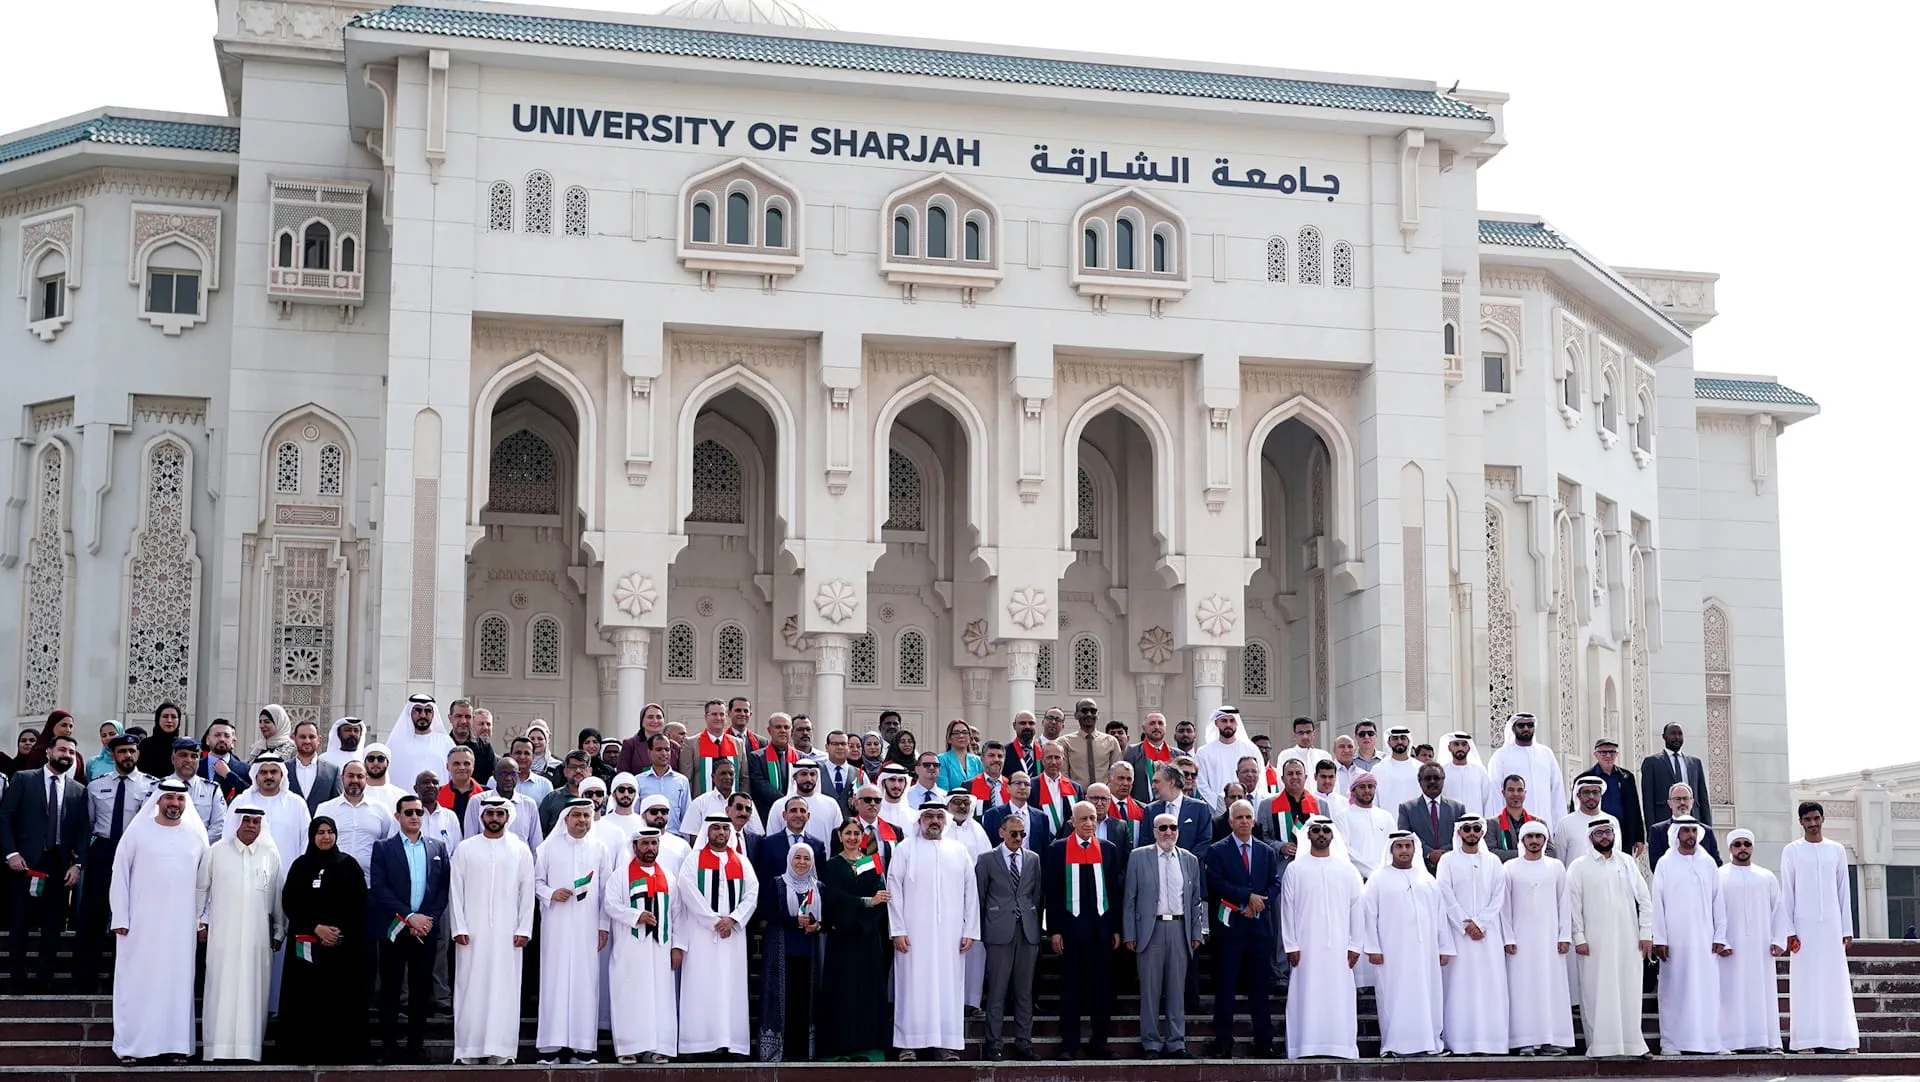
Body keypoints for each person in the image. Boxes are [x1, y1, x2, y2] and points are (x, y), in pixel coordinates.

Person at [109, 778, 207, 1065]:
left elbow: (204, 883)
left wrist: (201, 920)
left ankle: (176, 1045)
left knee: (177, 984)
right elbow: (120, 875)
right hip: (139, 924)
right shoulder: (138, 832)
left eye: (179, 800)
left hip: (181, 926)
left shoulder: (196, 835)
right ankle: (131, 1046)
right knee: (137, 983)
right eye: (169, 799)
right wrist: (120, 916)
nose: (174, 804)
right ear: (158, 801)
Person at [887, 801, 979, 1061]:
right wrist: (898, 930)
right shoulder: (905, 849)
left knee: (948, 988)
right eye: (929, 816)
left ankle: (945, 1044)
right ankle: (908, 1044)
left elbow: (970, 892)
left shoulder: (959, 850)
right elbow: (893, 891)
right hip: (912, 935)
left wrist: (970, 930)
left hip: (951, 935)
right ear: (920, 820)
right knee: (911, 987)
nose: (934, 821)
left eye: (939, 816)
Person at [197, 802, 285, 1062]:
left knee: (253, 992)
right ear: (236, 823)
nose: (250, 826)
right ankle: (217, 1050)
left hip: (258, 941)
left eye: (256, 822)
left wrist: (279, 931)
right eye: (246, 821)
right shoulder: (216, 852)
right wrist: (199, 923)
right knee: (220, 990)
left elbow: (278, 898)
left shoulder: (271, 855)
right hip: (223, 938)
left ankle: (249, 1051)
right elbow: (201, 890)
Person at [450, 795, 534, 1065]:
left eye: (500, 814)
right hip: (471, 933)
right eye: (490, 814)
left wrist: (524, 928)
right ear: (482, 817)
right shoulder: (465, 848)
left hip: (509, 933)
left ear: (508, 817)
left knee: (505, 987)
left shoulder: (520, 849)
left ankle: (501, 1048)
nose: (494, 819)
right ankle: (469, 1049)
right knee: (470, 986)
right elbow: (456, 892)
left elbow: (527, 892)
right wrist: (458, 927)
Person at [0, 731, 88, 989]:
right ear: (49, 752)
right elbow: (5, 818)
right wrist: (11, 853)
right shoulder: (24, 779)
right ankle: (17, 979)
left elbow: (84, 832)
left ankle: (44, 979)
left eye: (71, 752)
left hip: (59, 867)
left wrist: (78, 864)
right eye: (62, 750)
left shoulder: (77, 791)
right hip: (25, 865)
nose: (66, 755)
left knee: (53, 926)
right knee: (21, 923)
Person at [278, 816, 369, 1065]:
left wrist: (337, 932)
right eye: (320, 832)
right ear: (312, 836)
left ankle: (341, 1053)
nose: (326, 836)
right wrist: (316, 927)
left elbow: (360, 903)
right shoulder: (300, 866)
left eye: (330, 832)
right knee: (306, 1001)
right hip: (307, 946)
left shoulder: (349, 865)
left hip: (342, 948)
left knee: (340, 1001)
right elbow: (290, 902)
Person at [369, 794, 451, 1064]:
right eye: (408, 813)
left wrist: (427, 919)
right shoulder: (382, 848)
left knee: (420, 991)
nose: (415, 816)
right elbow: (380, 888)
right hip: (395, 928)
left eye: (418, 812)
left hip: (425, 930)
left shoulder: (438, 848)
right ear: (398, 817)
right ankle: (389, 1046)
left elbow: (442, 889)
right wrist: (409, 916)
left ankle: (416, 1046)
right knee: (391, 989)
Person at [1357, 831, 1449, 1058]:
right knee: (1394, 997)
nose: (1404, 851)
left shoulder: (1427, 879)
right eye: (1399, 846)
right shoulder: (1378, 879)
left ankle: (1429, 1043)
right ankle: (1395, 1045)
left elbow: (1440, 916)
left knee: (1427, 995)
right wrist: (1373, 948)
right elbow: (1369, 915)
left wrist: (1444, 947)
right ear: (1391, 850)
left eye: (1408, 846)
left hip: (1425, 952)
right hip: (1392, 952)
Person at [1567, 817, 1653, 1058]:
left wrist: (1646, 933)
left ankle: (1635, 1045)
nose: (1604, 837)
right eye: (1599, 833)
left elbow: (1645, 900)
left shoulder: (1626, 862)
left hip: (1628, 939)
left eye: (1608, 832)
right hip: (1594, 943)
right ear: (1590, 838)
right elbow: (1572, 906)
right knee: (1597, 992)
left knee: (1629, 990)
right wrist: (1579, 937)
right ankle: (1600, 1046)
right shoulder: (1578, 867)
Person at [1042, 800, 1121, 1059]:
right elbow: (1051, 892)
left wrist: (1116, 928)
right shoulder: (1058, 849)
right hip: (1071, 934)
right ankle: (1070, 1044)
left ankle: (1100, 1042)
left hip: (1101, 933)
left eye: (1093, 819)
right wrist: (1054, 930)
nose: (1089, 823)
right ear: (1072, 822)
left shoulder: (1108, 849)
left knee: (1101, 991)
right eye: (1084, 819)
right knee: (1071, 992)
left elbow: (1114, 891)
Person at [1121, 811, 1204, 1059]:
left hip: (1179, 928)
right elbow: (1130, 898)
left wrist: (1196, 931)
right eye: (1163, 828)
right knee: (1150, 990)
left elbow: (1195, 900)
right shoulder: (1139, 856)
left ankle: (1177, 1041)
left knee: (1177, 989)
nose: (1168, 832)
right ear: (1155, 831)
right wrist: (1129, 933)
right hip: (1150, 929)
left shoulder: (1189, 859)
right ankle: (1151, 1043)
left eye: (1173, 828)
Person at [1279, 815, 1362, 1059]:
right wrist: (1291, 945)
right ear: (1308, 835)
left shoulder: (1347, 870)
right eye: (1316, 830)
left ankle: (1341, 1046)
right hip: (1305, 947)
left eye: (1326, 830)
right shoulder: (1295, 869)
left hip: (1340, 948)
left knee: (1339, 995)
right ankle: (1304, 1046)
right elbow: (1287, 909)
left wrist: (1356, 945)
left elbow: (1357, 909)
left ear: (1333, 835)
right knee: (1306, 994)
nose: (1321, 834)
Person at [74, 734, 153, 989]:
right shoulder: (96, 786)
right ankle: (85, 977)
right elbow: (88, 826)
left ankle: (124, 979)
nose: (128, 756)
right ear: (113, 755)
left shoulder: (151, 786)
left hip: (136, 855)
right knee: (93, 916)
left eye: (132, 751)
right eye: (122, 751)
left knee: (130, 918)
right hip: (104, 853)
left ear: (138, 754)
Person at [530, 799, 606, 1063]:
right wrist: (552, 893)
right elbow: (536, 883)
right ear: (566, 818)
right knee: (555, 981)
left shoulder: (599, 848)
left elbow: (605, 891)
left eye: (587, 815)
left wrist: (603, 926)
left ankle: (583, 1048)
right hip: (557, 926)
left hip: (588, 927)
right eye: (577, 815)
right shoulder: (548, 848)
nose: (582, 820)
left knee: (586, 983)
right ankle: (551, 1048)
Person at [1779, 800, 1859, 1053]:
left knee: (1836, 981)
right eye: (1807, 820)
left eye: (1816, 818)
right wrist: (1789, 930)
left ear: (1823, 819)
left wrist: (1847, 929)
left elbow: (1843, 891)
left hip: (1832, 927)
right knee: (1805, 982)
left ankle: (1843, 1040)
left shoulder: (1836, 850)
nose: (1812, 824)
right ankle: (1805, 1041)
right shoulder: (1792, 851)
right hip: (1803, 928)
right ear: (1800, 822)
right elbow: (1787, 893)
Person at [677, 814, 758, 1059]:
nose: (721, 832)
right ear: (706, 832)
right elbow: (687, 889)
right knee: (700, 985)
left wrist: (732, 919)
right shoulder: (693, 860)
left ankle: (731, 1041)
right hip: (702, 935)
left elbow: (752, 893)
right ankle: (697, 1043)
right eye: (716, 828)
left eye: (725, 828)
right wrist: (714, 921)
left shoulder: (741, 861)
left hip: (731, 936)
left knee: (730, 987)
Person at [1205, 799, 1280, 1057]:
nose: (1245, 822)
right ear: (1230, 821)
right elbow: (1217, 883)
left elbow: (1275, 883)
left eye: (1249, 817)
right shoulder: (1217, 851)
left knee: (1260, 989)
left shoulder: (1266, 852)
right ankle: (1223, 1042)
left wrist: (1258, 904)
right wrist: (1248, 897)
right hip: (1229, 932)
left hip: (1259, 932)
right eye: (1239, 818)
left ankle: (1263, 1042)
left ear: (1254, 821)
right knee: (1226, 988)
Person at [1651, 817, 1727, 1055]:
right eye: (1685, 830)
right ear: (1676, 833)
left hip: (1705, 938)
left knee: (1707, 989)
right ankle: (1671, 1043)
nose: (1690, 835)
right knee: (1675, 989)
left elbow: (1718, 901)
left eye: (1693, 830)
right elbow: (1657, 903)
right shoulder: (1665, 863)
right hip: (1675, 940)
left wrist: (1720, 935)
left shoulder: (1708, 863)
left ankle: (1710, 1042)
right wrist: (1660, 939)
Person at [818, 817, 891, 1061]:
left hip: (868, 936)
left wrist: (869, 914)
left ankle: (867, 1045)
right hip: (843, 937)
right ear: (840, 836)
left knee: (868, 989)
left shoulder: (874, 862)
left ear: (863, 836)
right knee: (843, 990)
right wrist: (864, 903)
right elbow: (834, 897)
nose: (852, 838)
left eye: (856, 833)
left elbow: (881, 895)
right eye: (847, 833)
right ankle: (841, 1046)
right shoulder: (832, 865)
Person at [1435, 815, 1509, 1054]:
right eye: (1466, 828)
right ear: (1459, 832)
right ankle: (1459, 1043)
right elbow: (1444, 894)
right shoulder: (1447, 861)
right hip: (1459, 936)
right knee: (1459, 987)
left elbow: (1499, 897)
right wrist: (1465, 923)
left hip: (1489, 935)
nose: (1472, 832)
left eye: (1477, 828)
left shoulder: (1494, 861)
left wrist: (1481, 923)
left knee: (1491, 986)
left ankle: (1493, 1042)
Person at [603, 829, 679, 1064]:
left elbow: (677, 914)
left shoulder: (669, 877)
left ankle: (660, 1048)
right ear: (634, 846)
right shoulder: (620, 876)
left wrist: (678, 947)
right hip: (630, 949)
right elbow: (610, 905)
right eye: (645, 844)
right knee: (630, 995)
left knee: (661, 998)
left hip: (661, 949)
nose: (650, 849)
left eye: (654, 844)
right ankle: (629, 1048)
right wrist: (637, 916)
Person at [1503, 820, 1574, 1055]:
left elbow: (1564, 903)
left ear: (1545, 840)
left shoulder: (1555, 867)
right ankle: (1524, 1041)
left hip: (1550, 940)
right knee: (1522, 988)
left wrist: (1564, 935)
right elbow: (1504, 907)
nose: (1534, 841)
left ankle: (1550, 1039)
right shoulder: (1510, 868)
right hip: (1520, 941)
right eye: (1529, 837)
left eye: (1538, 837)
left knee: (1549, 987)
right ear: (1522, 840)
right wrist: (1508, 938)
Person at [976, 812, 1041, 1061]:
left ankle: (1024, 1042)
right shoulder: (986, 859)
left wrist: (1031, 918)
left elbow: (1036, 894)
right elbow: (980, 897)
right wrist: (984, 929)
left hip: (1027, 929)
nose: (1018, 838)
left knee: (1025, 991)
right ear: (1001, 832)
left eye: (1022, 834)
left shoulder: (1033, 858)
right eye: (1013, 833)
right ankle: (994, 1043)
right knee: (997, 990)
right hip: (998, 930)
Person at [1718, 828, 1787, 1053]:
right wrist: (1721, 940)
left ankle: (1767, 1041)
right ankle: (1730, 1042)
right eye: (1737, 844)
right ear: (1729, 848)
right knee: (1730, 994)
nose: (1742, 848)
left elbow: (1778, 910)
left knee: (1762, 994)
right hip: (1730, 949)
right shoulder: (1718, 876)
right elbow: (1712, 912)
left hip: (1761, 948)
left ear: (1752, 847)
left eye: (1746, 844)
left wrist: (1779, 939)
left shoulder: (1766, 876)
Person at [1484, 713, 1565, 822]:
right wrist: (1500, 825)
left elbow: (1557, 790)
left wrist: (1559, 823)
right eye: (1521, 726)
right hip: (1511, 823)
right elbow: (1495, 793)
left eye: (1530, 725)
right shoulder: (1501, 755)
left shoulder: (1546, 754)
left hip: (1544, 820)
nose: (1526, 728)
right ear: (1513, 728)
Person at [383, 695, 453, 812]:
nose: (423, 715)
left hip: (437, 808)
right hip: (406, 810)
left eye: (428, 711)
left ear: (433, 714)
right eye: (418, 710)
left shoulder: (445, 742)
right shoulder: (397, 742)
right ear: (410, 712)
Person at [1641, 722, 1712, 830]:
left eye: (1680, 734)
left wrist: (1707, 828)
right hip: (1664, 825)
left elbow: (1703, 798)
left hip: (1692, 824)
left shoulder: (1695, 763)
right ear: (1664, 736)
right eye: (1673, 734)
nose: (1677, 737)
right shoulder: (1652, 763)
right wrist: (1651, 831)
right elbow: (1648, 801)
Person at [1397, 762, 1464, 874]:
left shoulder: (1458, 808)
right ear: (1420, 782)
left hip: (1452, 868)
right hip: (1419, 869)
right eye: (1428, 778)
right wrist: (1429, 853)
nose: (1432, 781)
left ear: (1443, 780)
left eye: (1436, 778)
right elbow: (1406, 837)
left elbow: (1461, 836)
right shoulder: (1407, 808)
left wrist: (1444, 853)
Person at [1582, 738, 1646, 855]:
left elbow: (1635, 808)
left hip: (1623, 833)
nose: (1608, 756)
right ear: (1596, 755)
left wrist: (1639, 838)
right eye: (1603, 753)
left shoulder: (1626, 777)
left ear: (1617, 754)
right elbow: (1576, 806)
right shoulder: (1586, 778)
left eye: (1612, 752)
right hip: (1597, 832)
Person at [465, 758, 542, 851]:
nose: (509, 778)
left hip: (519, 863)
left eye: (513, 774)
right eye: (504, 774)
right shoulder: (478, 801)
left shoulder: (529, 804)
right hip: (485, 862)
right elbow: (469, 841)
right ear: (494, 776)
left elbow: (536, 844)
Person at [1194, 707, 1254, 813]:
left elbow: (1257, 780)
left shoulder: (1250, 749)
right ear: (1216, 723)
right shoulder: (1203, 752)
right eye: (1224, 721)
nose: (1228, 724)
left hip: (1245, 809)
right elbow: (1201, 783)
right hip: (1215, 810)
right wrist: (1219, 804)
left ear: (1237, 722)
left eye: (1232, 720)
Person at [1649, 783, 1722, 868]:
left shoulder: (1706, 831)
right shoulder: (1658, 831)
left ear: (1692, 802)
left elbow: (1716, 863)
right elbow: (1656, 865)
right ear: (1669, 803)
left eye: (1685, 798)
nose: (1682, 802)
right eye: (1677, 799)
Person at [1339, 772, 1395, 880]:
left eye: (1370, 786)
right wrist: (1372, 871)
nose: (1367, 790)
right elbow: (1344, 849)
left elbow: (1393, 846)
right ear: (1353, 790)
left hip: (1385, 877)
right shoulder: (1343, 817)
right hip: (1356, 878)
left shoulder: (1386, 816)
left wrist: (1384, 872)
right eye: (1362, 787)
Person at [1485, 775, 1553, 862]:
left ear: (1525, 793)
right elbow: (1491, 852)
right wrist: (1528, 853)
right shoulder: (1491, 824)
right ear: (1503, 793)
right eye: (1511, 790)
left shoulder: (1539, 822)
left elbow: (1551, 852)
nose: (1516, 794)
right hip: (1506, 873)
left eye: (1520, 790)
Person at [632, 733, 690, 834]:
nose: (664, 753)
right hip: (646, 837)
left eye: (667, 749)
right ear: (649, 752)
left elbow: (686, 814)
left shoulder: (682, 781)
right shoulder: (638, 781)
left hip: (674, 837)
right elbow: (635, 813)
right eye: (659, 749)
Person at [746, 712, 800, 819]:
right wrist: (786, 802)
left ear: (791, 731)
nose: (783, 731)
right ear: (769, 730)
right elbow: (760, 785)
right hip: (767, 813)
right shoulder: (756, 757)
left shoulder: (801, 757)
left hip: (795, 814)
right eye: (778, 727)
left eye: (786, 727)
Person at [1555, 775, 1618, 865]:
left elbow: (1616, 854)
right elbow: (1559, 859)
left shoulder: (1612, 821)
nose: (1591, 796)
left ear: (1601, 794)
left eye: (1595, 792)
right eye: (1586, 792)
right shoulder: (1565, 823)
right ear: (1578, 795)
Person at [1060, 699, 1121, 790]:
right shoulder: (1064, 742)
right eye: (1084, 711)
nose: (1089, 714)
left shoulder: (1111, 742)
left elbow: (1117, 772)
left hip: (1104, 796)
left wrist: (1104, 792)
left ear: (1097, 715)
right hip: (1077, 796)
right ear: (1076, 715)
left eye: (1093, 711)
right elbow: (1063, 774)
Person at [286, 720, 343, 811]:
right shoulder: (283, 769)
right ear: (294, 739)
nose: (307, 741)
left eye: (311, 737)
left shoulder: (332, 771)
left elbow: (337, 805)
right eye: (302, 737)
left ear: (319, 739)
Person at [1439, 730, 1495, 816]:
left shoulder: (1479, 771)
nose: (1460, 748)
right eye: (1456, 744)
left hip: (1475, 824)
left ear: (1469, 748)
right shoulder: (1442, 771)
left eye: (1464, 744)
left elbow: (1487, 800)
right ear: (1449, 748)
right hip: (1449, 821)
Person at [197, 720, 254, 802]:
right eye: (217, 735)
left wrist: (229, 775)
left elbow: (251, 795)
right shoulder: (196, 766)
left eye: (227, 736)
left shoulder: (246, 769)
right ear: (208, 740)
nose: (222, 739)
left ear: (232, 742)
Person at [1122, 712, 1173, 803]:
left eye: (1160, 723)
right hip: (1141, 808)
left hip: (1170, 807)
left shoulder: (1177, 755)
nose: (1157, 727)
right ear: (1144, 728)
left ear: (1165, 728)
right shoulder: (1131, 752)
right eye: (1152, 723)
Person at [1370, 725, 1422, 814]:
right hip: (1387, 823)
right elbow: (1374, 801)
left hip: (1416, 822)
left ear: (1408, 741)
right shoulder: (1378, 769)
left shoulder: (1420, 768)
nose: (1399, 741)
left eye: (1403, 738)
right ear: (1389, 742)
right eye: (1395, 738)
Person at [446, 699, 496, 789]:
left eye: (467, 716)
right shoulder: (442, 745)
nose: (463, 721)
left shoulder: (484, 747)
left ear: (473, 719)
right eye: (458, 716)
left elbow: (491, 778)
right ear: (450, 718)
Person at [136, 702, 187, 778]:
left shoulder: (183, 746)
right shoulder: (145, 745)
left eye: (173, 717)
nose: (169, 720)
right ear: (158, 719)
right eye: (165, 716)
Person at [936, 718, 982, 790]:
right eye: (956, 732)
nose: (961, 735)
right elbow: (943, 790)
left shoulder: (978, 761)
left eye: (965, 732)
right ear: (949, 738)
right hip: (950, 800)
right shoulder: (941, 759)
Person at [359, 743, 406, 811]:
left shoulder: (400, 796)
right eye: (371, 759)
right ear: (364, 763)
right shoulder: (355, 795)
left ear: (387, 763)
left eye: (380, 759)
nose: (375, 762)